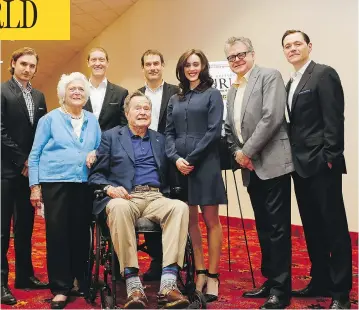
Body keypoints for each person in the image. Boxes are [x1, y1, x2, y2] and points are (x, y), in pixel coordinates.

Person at [88, 90, 190, 309]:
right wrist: (109, 189)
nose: (143, 112)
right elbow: (96, 174)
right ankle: (133, 285)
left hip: (156, 195)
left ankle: (169, 284)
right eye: (137, 108)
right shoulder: (112, 137)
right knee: (117, 207)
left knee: (180, 207)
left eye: (146, 108)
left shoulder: (160, 139)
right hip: (126, 196)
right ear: (126, 112)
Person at [282, 30, 352, 309]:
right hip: (299, 168)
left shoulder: (324, 74)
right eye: (287, 46)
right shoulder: (290, 82)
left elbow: (334, 117)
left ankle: (341, 292)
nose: (292, 49)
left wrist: (331, 157)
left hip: (323, 165)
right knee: (312, 227)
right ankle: (320, 279)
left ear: (309, 46)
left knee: (334, 227)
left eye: (297, 43)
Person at [224, 36, 294, 309]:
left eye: (241, 54)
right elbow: (230, 129)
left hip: (272, 164)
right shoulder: (232, 89)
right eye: (232, 57)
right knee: (264, 228)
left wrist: (247, 152)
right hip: (250, 167)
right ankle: (271, 280)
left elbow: (272, 117)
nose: (237, 59)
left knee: (277, 228)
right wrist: (237, 154)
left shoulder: (269, 76)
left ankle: (281, 289)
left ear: (252, 54)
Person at [28, 72, 101, 309]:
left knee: (81, 234)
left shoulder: (92, 120)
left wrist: (95, 154)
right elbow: (35, 154)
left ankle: (80, 280)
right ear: (63, 94)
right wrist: (35, 187)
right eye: (72, 89)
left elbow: (100, 149)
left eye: (81, 89)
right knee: (58, 235)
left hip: (83, 183)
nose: (77, 93)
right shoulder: (49, 120)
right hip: (55, 183)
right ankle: (60, 287)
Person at [165, 49, 226, 303]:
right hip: (180, 167)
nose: (192, 69)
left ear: (203, 67)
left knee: (211, 221)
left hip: (205, 163)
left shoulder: (212, 94)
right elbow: (168, 133)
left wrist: (191, 159)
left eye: (196, 64)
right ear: (182, 68)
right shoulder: (175, 98)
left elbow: (213, 131)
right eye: (187, 65)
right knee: (190, 222)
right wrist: (176, 158)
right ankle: (199, 272)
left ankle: (213, 275)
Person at [1, 47, 48, 306]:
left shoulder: (39, 96)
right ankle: (0, 283)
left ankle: (25, 276)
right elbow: (0, 131)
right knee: (1, 230)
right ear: (13, 64)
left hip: (30, 174)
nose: (28, 69)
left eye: (32, 65)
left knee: (24, 228)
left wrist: (35, 162)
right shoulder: (1, 91)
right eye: (24, 64)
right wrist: (22, 160)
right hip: (6, 172)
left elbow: (41, 133)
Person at [137, 49, 179, 281]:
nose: (152, 67)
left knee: (172, 208)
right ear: (142, 68)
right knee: (149, 210)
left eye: (156, 63)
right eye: (148, 64)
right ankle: (157, 260)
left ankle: (173, 261)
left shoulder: (177, 93)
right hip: (144, 163)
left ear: (162, 65)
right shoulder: (135, 96)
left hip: (171, 161)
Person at [83, 47, 128, 131]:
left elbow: (125, 126)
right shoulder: (79, 92)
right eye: (93, 60)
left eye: (101, 60)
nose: (97, 63)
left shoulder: (121, 93)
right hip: (84, 143)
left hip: (111, 143)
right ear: (88, 63)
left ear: (107, 63)